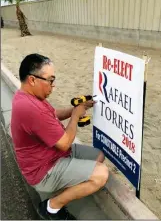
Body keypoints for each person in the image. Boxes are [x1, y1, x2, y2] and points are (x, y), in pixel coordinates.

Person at [11, 53, 109, 220]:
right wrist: (76, 116)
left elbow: (53, 114)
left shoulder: (28, 96)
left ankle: (65, 187)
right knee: (101, 174)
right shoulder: (30, 108)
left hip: (52, 155)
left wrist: (75, 109)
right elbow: (64, 143)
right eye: (50, 80)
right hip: (43, 170)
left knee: (99, 155)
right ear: (32, 80)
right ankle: (51, 207)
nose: (53, 86)